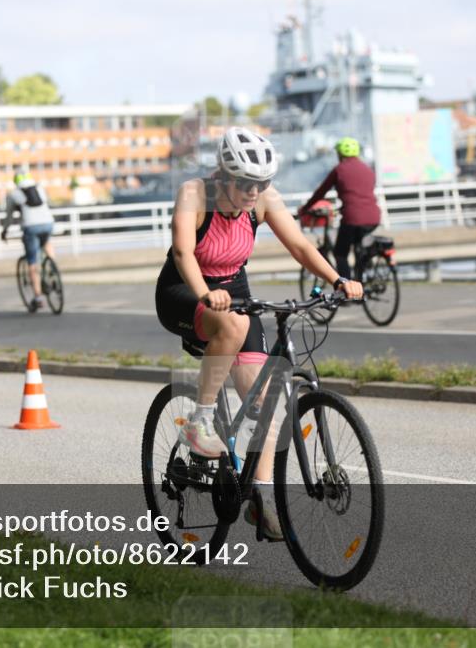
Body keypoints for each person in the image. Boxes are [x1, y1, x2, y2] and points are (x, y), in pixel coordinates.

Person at [155, 127, 363, 540]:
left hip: (234, 289)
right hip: (184, 288)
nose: (255, 192)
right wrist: (204, 295)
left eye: (262, 183)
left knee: (269, 402)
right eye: (246, 183)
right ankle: (199, 421)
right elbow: (182, 252)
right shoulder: (195, 195)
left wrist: (339, 279)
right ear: (224, 175)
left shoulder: (264, 201)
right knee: (232, 323)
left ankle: (261, 499)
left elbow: (301, 247)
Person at [299, 137, 381, 279]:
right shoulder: (368, 169)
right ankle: (363, 278)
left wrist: (306, 208)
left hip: (352, 218)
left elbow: (321, 192)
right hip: (374, 217)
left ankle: (347, 289)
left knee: (340, 253)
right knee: (358, 247)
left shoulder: (339, 170)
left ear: (340, 154)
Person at [2, 173, 55, 311]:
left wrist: (5, 230)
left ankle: (38, 297)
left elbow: (8, 216)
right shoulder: (39, 189)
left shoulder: (14, 194)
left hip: (30, 226)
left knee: (32, 262)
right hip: (48, 222)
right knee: (47, 242)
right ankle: (52, 268)